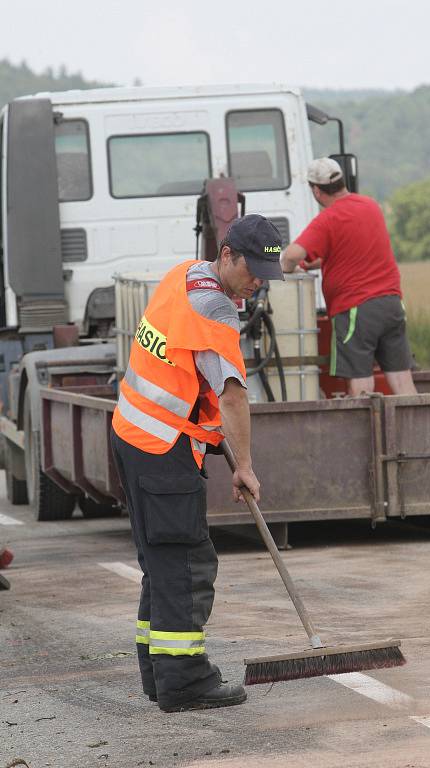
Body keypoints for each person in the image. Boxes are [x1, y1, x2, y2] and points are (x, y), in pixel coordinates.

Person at [111, 214, 283, 713]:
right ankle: (184, 681)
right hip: (161, 446)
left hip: (136, 433)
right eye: (253, 273)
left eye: (266, 279)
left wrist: (203, 433)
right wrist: (244, 465)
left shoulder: (184, 275)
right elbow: (232, 396)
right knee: (186, 562)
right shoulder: (213, 310)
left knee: (159, 561)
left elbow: (181, 371)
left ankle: (158, 673)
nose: (257, 286)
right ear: (227, 254)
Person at [280, 157, 417, 397]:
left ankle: (366, 434)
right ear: (342, 181)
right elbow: (357, 248)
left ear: (316, 190)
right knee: (402, 380)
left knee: (361, 384)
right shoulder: (371, 206)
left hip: (357, 309)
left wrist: (286, 266)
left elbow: (291, 253)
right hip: (392, 304)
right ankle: (414, 433)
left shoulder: (328, 219)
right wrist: (323, 261)